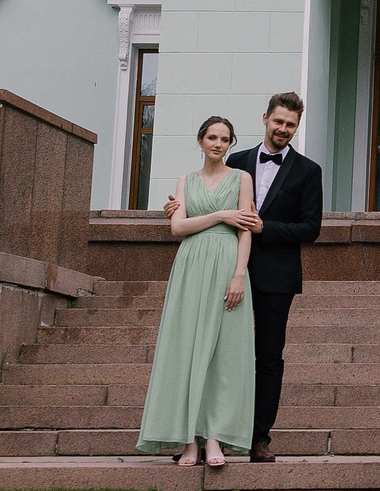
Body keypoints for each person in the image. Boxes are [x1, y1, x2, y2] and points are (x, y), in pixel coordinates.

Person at [136, 117, 256, 467]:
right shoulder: (186, 180)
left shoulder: (242, 178)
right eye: (212, 137)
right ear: (201, 140)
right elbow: (178, 227)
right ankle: (189, 440)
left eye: (225, 139)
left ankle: (214, 438)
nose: (218, 144)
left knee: (223, 354)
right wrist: (221, 215)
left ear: (231, 143)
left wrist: (239, 274)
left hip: (227, 264)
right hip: (190, 266)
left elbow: (246, 229)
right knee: (186, 349)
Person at [226, 92, 324, 462]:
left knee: (268, 357)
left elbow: (310, 228)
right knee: (223, 352)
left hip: (277, 276)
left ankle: (259, 438)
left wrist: (265, 227)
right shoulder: (235, 161)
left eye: (291, 124)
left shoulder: (308, 171)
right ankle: (213, 433)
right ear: (265, 117)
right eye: (278, 121)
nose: (283, 129)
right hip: (229, 269)